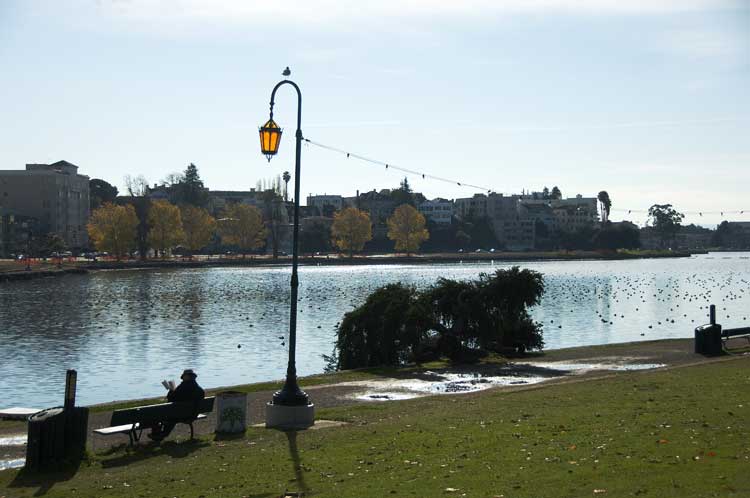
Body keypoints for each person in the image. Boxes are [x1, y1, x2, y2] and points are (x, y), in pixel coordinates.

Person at [148, 369, 205, 441]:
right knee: (173, 413)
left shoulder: (182, 387)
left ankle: (158, 435)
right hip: (192, 415)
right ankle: (162, 434)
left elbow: (170, 399)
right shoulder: (199, 389)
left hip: (180, 415)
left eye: (184, 376)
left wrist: (171, 390)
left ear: (186, 377)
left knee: (157, 413)